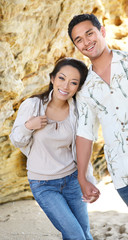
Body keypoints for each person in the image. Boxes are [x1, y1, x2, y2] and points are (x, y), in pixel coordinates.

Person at [68, 13, 128, 240]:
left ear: (103, 32)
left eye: (90, 33)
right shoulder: (85, 88)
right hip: (121, 173)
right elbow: (85, 132)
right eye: (79, 39)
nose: (86, 42)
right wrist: (82, 177)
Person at [10, 57, 94, 240]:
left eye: (74, 82)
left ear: (78, 87)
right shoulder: (33, 105)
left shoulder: (77, 112)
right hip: (44, 185)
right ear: (52, 79)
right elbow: (16, 139)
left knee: (84, 233)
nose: (66, 86)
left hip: (72, 181)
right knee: (75, 235)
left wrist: (89, 180)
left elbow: (83, 148)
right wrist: (28, 126)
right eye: (62, 78)